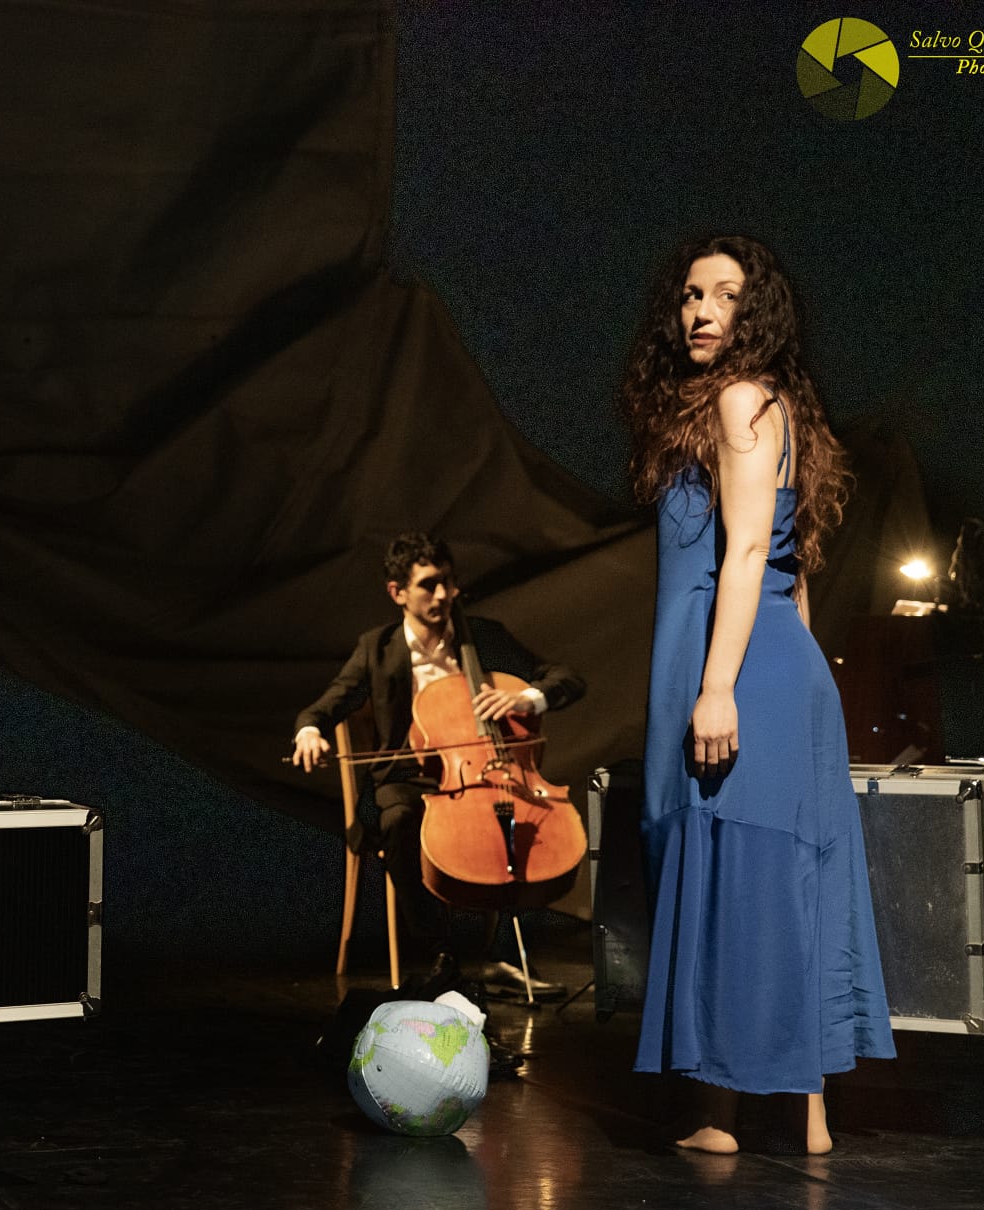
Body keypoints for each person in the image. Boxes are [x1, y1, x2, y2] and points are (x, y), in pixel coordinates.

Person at [622, 235, 893, 1154]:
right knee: (782, 882)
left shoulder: (739, 401)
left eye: (724, 294)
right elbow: (794, 570)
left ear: (757, 311)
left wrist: (719, 687)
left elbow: (745, 553)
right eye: (690, 294)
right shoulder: (777, 409)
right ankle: (806, 1114)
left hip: (738, 663)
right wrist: (800, 686)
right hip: (779, 662)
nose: (700, 310)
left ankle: (718, 1114)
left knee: (735, 876)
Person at [291, 533, 585, 981]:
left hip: (484, 772)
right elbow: (326, 706)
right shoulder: (377, 648)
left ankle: (502, 954)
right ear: (398, 593)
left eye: (447, 581)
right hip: (404, 777)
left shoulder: (482, 637)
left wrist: (526, 698)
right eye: (429, 585)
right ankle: (441, 952)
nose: (444, 594)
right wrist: (310, 732)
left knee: (518, 823)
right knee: (398, 820)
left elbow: (566, 678)